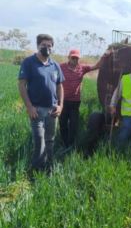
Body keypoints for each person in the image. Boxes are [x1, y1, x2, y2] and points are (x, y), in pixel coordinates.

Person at [18, 34, 64, 172]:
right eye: (44, 45)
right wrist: (29, 107)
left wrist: (61, 105)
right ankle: (37, 171)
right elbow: (21, 85)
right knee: (39, 140)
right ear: (38, 46)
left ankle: (48, 166)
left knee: (50, 140)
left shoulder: (55, 65)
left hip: (52, 110)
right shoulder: (29, 62)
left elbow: (59, 86)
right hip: (36, 109)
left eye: (49, 46)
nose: (47, 48)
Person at [59, 49, 107, 147]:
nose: (74, 60)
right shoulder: (61, 67)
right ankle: (64, 142)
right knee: (63, 123)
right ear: (69, 57)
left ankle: (71, 144)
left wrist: (104, 56)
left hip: (75, 102)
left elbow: (97, 66)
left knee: (74, 124)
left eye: (76, 58)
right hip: (62, 101)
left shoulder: (82, 68)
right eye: (73, 57)